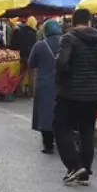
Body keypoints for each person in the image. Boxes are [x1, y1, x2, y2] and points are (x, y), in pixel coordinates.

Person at [53, 8, 97, 185]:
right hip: (91, 94)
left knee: (61, 128)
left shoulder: (68, 38)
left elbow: (62, 63)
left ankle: (74, 165)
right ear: (90, 21)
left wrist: (64, 79)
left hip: (70, 94)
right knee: (87, 132)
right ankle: (85, 169)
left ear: (73, 22)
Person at [28, 19, 63, 154]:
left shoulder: (40, 45)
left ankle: (48, 145)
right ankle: (63, 142)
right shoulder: (65, 43)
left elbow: (31, 63)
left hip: (44, 83)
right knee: (61, 112)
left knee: (45, 114)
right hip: (62, 83)